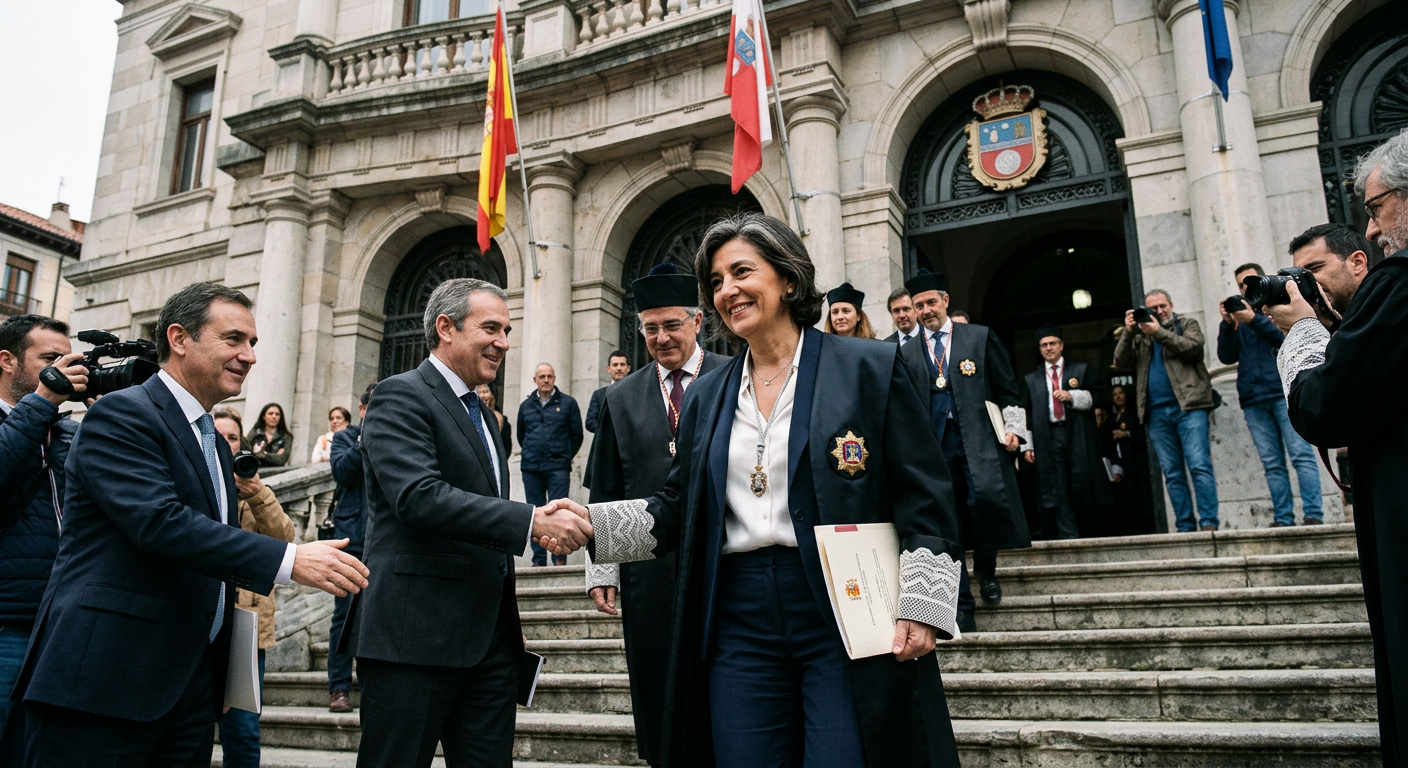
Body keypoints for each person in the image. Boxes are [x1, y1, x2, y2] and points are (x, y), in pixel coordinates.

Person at [552, 212, 964, 767]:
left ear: (788, 279)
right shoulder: (708, 394)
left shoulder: (868, 366)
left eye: (742, 271)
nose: (728, 291)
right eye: (717, 281)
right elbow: (677, 506)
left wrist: (925, 605)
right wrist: (591, 527)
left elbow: (925, 494)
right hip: (737, 613)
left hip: (842, 606)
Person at [14, 281, 367, 767]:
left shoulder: (215, 444)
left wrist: (221, 672)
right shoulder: (122, 413)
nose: (250, 356)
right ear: (179, 338)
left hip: (188, 691)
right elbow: (159, 523)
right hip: (103, 684)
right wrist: (289, 559)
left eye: (254, 343)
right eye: (233, 340)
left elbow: (210, 560)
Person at [350, 278, 592, 768]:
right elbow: (419, 498)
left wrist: (509, 624)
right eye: (491, 328)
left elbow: (481, 516)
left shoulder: (482, 411)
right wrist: (531, 521)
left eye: (506, 330)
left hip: (490, 648)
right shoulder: (400, 396)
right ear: (445, 328)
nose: (504, 342)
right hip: (412, 641)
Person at [1269, 156, 1404, 761]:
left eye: (1376, 209)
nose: (1373, 230)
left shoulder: (1395, 284)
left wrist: (1302, 332)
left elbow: (1325, 408)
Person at [583, 262, 730, 767]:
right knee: (657, 678)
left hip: (724, 559)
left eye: (672, 325)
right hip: (647, 569)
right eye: (651, 328)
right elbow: (603, 487)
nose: (662, 337)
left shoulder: (734, 375)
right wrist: (600, 569)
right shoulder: (618, 398)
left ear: (697, 322)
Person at [899, 269, 1030, 633]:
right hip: (935, 451)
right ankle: (961, 604)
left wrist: (1016, 431)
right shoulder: (906, 353)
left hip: (979, 443)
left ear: (945, 301)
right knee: (947, 523)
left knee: (985, 506)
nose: (925, 310)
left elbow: (1008, 389)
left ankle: (986, 572)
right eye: (918, 305)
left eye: (930, 302)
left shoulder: (978, 337)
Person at [0, 315, 84, 762]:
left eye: (68, 359)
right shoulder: (29, 417)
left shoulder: (69, 432)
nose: (63, 368)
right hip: (7, 625)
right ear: (7, 361)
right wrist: (42, 402)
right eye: (51, 359)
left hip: (61, 625)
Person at [211, 408, 296, 768]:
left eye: (232, 438)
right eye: (219, 437)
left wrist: (256, 492)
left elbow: (285, 539)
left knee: (243, 730)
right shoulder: (187, 481)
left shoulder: (257, 491)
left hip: (244, 628)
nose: (226, 445)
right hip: (196, 619)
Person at [1217, 262, 1323, 527]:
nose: (1245, 287)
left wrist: (1254, 320)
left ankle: (1313, 514)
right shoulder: (1239, 317)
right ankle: (1283, 517)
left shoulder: (1274, 308)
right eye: (1241, 283)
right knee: (1272, 463)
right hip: (1252, 399)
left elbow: (1284, 339)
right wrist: (1227, 325)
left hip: (1280, 392)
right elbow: (1226, 356)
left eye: (1250, 281)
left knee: (1300, 455)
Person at [1114, 289, 1219, 531]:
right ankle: (1184, 525)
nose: (1159, 312)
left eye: (1162, 306)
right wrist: (1129, 333)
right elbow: (1120, 361)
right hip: (1156, 413)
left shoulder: (1186, 324)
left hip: (1189, 407)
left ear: (1171, 305)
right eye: (1153, 309)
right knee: (1172, 473)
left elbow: (1194, 348)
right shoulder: (1140, 335)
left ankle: (1209, 523)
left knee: (1199, 465)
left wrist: (1158, 333)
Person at [1022, 325, 1113, 539]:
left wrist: (1074, 397)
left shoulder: (1081, 370)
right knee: (1056, 486)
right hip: (1047, 437)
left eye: (1053, 343)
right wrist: (1028, 444)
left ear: (1062, 345)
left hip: (1077, 435)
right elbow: (1024, 412)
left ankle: (1089, 534)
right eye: (1044, 345)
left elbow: (1100, 396)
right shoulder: (1031, 379)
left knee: (1081, 481)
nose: (1049, 348)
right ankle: (1068, 536)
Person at [327, 382, 376, 714]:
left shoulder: (396, 436)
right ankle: (339, 687)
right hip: (350, 538)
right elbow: (342, 472)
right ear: (361, 409)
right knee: (344, 615)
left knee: (376, 617)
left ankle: (371, 685)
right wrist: (364, 440)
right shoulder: (346, 437)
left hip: (382, 540)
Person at [516, 363, 583, 566]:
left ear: (554, 379)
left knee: (559, 513)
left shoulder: (568, 403)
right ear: (535, 380)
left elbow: (577, 435)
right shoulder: (525, 406)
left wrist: (563, 456)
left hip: (558, 468)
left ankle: (559, 557)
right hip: (531, 468)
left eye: (549, 376)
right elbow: (521, 435)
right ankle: (538, 559)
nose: (546, 380)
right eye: (542, 376)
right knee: (534, 514)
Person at [1102, 384, 1156, 535]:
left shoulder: (1135, 414)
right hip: (1119, 467)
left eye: (1121, 393)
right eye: (1115, 394)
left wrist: (1127, 434)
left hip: (1136, 464)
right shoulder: (1111, 419)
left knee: (1138, 496)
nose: (1118, 396)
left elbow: (1144, 437)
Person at [585, 351, 631, 433]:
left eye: (622, 364)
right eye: (615, 365)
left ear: (628, 368)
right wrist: (613, 432)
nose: (619, 368)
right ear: (608, 369)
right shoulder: (598, 395)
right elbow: (590, 423)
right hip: (607, 444)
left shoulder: (637, 392)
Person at [247, 403, 292, 468]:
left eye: (277, 414)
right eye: (270, 413)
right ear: (263, 417)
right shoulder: (254, 433)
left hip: (277, 474)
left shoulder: (286, 437)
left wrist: (263, 455)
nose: (274, 417)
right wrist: (275, 456)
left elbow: (282, 459)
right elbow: (246, 453)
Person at [477, 384, 511, 455]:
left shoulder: (500, 418)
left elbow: (506, 446)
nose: (483, 395)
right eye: (480, 392)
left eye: (485, 391)